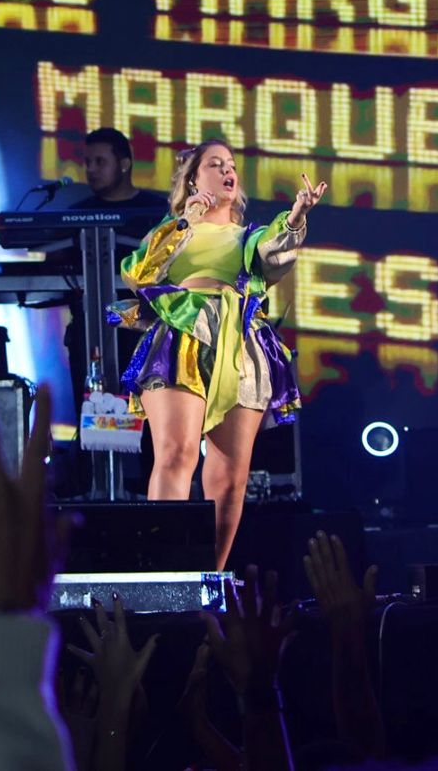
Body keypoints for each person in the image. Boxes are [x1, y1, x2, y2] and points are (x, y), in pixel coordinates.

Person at [112, 140, 326, 567]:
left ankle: (210, 575)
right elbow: (138, 273)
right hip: (181, 339)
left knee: (230, 478)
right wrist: (186, 220)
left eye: (231, 165)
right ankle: (167, 576)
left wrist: (297, 216)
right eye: (215, 164)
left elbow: (273, 254)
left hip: (239, 346)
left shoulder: (248, 237)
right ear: (193, 179)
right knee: (177, 453)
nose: (228, 171)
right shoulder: (173, 230)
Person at [62, 128, 168, 405]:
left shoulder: (158, 212)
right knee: (93, 415)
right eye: (87, 162)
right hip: (89, 334)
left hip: (146, 332)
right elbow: (56, 272)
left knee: (146, 419)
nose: (91, 170)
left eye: (100, 162)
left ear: (124, 165)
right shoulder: (74, 215)